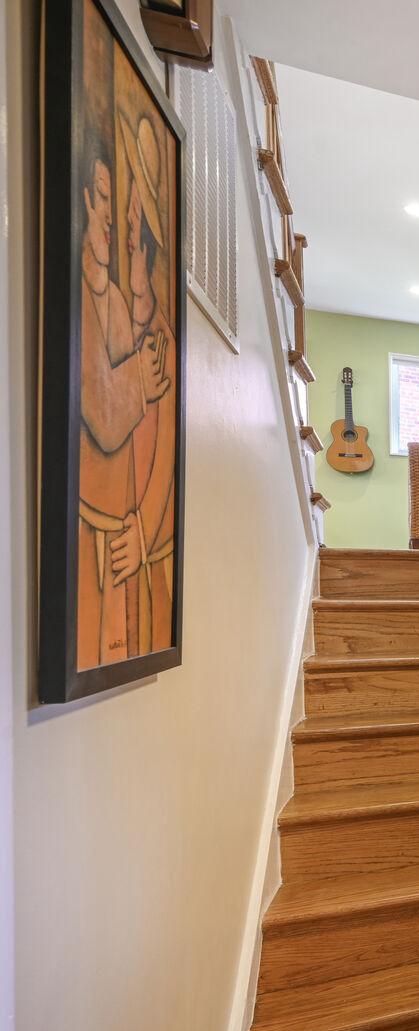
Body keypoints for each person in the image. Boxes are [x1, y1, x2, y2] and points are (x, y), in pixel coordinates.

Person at [76, 123, 176, 670]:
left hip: (131, 540)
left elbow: (163, 455)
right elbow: (102, 405)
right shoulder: (109, 304)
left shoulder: (152, 327)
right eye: (112, 210)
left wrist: (146, 527)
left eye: (133, 225)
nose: (122, 232)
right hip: (101, 529)